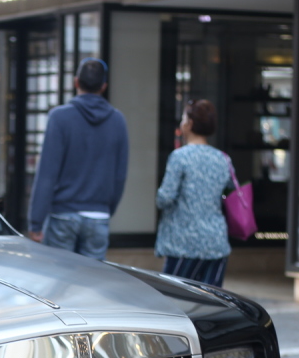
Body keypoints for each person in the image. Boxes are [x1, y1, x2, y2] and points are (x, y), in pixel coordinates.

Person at [27, 58, 129, 259]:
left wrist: (36, 221)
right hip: (98, 216)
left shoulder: (59, 117)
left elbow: (47, 173)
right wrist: (106, 209)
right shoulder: (117, 121)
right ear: (104, 86)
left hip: (62, 215)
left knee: (58, 283)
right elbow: (120, 176)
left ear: (76, 82)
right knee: (91, 285)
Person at [153, 100, 233, 287]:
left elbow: (165, 198)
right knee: (210, 304)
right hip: (216, 243)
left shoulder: (180, 157)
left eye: (183, 119)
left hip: (184, 243)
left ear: (189, 124)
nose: (181, 123)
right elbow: (230, 191)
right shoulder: (223, 158)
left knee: (173, 301)